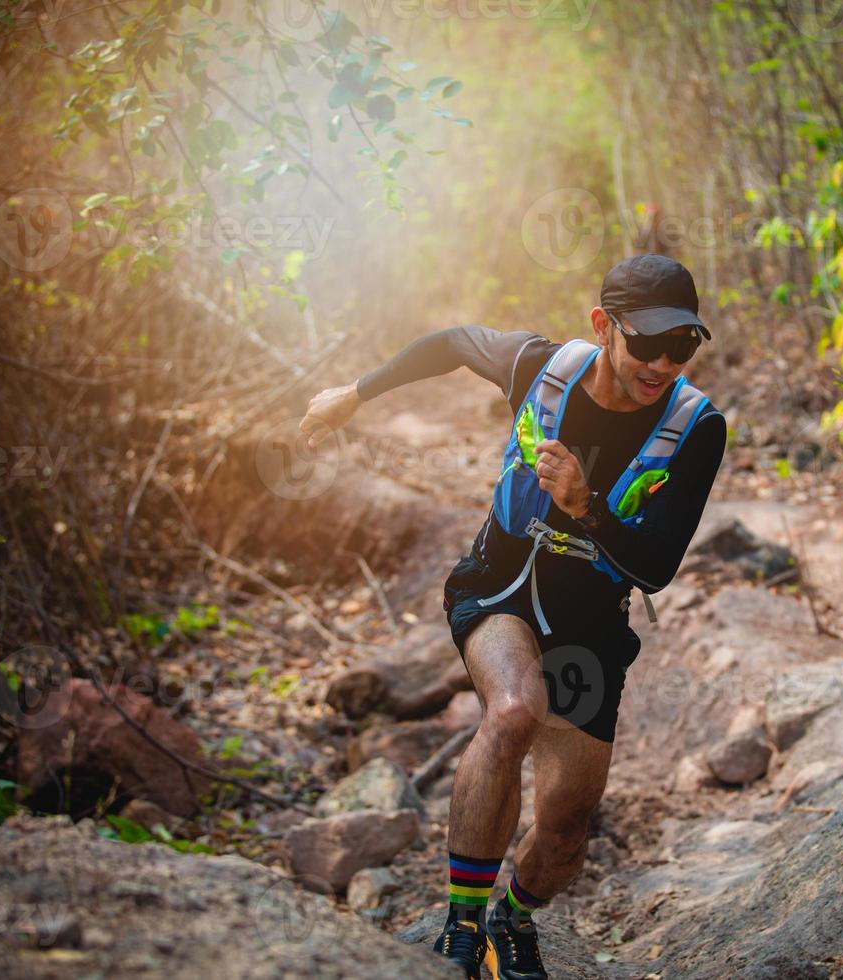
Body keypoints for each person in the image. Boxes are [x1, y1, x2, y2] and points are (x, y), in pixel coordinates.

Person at [299, 254, 726, 979]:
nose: (662, 361)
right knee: (514, 710)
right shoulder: (541, 366)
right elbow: (453, 342)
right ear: (603, 326)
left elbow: (655, 566)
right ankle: (462, 926)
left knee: (564, 831)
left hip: (589, 623)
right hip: (497, 585)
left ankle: (513, 918)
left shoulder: (697, 427)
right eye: (646, 342)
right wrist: (357, 392)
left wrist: (588, 508)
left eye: (680, 344)